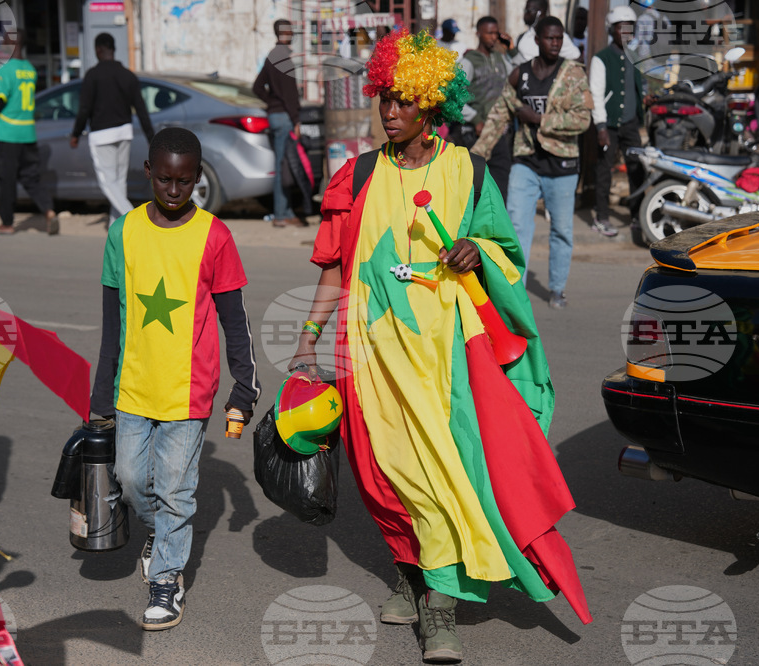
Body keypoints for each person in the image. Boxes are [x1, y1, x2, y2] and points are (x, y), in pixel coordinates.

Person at [289, 28, 591, 663]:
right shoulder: (358, 175)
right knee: (386, 479)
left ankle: (441, 608)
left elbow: (506, 254)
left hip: (446, 359)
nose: (390, 111)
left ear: (432, 105)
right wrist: (308, 338)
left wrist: (477, 250)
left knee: (444, 479)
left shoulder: (468, 171)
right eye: (385, 98)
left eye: (405, 100)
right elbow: (334, 268)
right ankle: (410, 572)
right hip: (371, 357)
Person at [89, 127, 261, 631]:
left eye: (184, 181)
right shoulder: (122, 232)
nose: (172, 189)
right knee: (128, 479)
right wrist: (101, 394)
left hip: (189, 392)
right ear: (148, 171)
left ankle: (166, 580)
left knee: (176, 492)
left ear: (197, 178)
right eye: (163, 179)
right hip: (132, 387)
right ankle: (159, 532)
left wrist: (245, 387)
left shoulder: (215, 235)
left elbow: (235, 320)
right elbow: (112, 322)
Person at [472, 17, 593, 310]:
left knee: (561, 230)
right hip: (525, 160)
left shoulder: (573, 74)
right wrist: (477, 154)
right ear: (537, 40)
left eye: (559, 38)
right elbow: (499, 114)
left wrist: (539, 119)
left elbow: (582, 120)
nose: (555, 43)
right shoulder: (520, 74)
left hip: (562, 165)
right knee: (516, 226)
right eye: (550, 38)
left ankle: (557, 289)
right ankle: (516, 290)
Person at [70, 32, 154, 223]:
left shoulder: (92, 75)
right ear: (113, 49)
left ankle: (133, 219)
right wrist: (151, 137)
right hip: (124, 133)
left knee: (107, 182)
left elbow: (84, 108)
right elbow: (141, 108)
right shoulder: (128, 75)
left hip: (102, 135)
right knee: (118, 182)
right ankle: (116, 227)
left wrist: (75, 134)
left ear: (98, 49)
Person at [0, 34, 58, 235]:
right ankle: (49, 211)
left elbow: (0, 101)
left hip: (8, 133)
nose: (3, 44)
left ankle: (7, 224)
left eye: (6, 41)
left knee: (7, 180)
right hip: (28, 132)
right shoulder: (30, 69)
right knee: (31, 178)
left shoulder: (6, 69)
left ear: (13, 43)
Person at [590, 6, 644, 238]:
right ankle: (601, 217)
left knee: (637, 169)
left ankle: (637, 216)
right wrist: (601, 126)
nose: (625, 33)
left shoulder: (635, 56)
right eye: (621, 28)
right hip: (609, 125)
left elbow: (636, 87)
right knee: (605, 171)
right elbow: (596, 94)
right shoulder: (601, 59)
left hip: (630, 123)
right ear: (611, 30)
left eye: (629, 28)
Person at [452, 16, 514, 199]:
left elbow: (520, 73)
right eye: (489, 33)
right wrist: (476, 119)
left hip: (499, 131)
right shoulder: (469, 62)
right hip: (475, 134)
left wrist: (512, 48)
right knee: (475, 184)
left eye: (496, 33)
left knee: (500, 182)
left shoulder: (501, 59)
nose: (493, 37)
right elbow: (454, 96)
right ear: (478, 33)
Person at [253, 19, 305, 228]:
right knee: (285, 166)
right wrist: (296, 120)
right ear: (285, 33)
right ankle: (280, 215)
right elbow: (290, 95)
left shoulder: (271, 57)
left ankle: (286, 212)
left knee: (284, 166)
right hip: (285, 118)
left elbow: (257, 87)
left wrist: (271, 103)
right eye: (290, 31)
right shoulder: (284, 59)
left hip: (275, 116)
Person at [511, 0, 580, 65]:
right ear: (537, 40)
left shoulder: (557, 38)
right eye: (525, 11)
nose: (525, 15)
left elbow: (577, 59)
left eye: (528, 11)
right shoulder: (522, 38)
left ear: (540, 12)